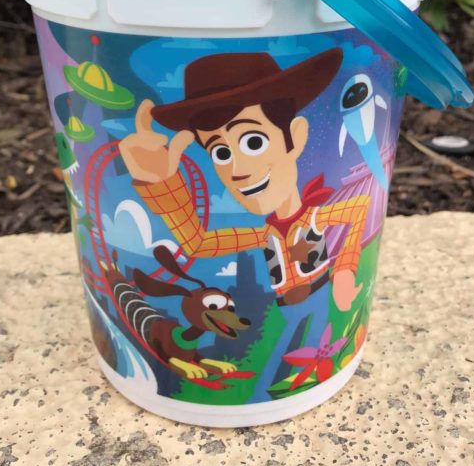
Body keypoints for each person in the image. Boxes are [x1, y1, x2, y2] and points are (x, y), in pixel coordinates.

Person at [119, 49, 370, 399]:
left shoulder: (315, 216)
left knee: (301, 367)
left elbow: (359, 209)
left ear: (295, 137)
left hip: (319, 300)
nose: (237, 169)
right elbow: (197, 243)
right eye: (220, 152)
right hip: (287, 310)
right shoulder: (263, 234)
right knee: (274, 374)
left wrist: (344, 269)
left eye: (253, 142)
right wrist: (161, 182)